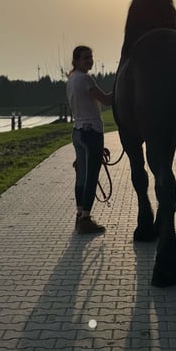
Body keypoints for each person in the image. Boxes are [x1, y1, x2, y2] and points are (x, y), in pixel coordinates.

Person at [67, 45, 113, 234]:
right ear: (76, 60)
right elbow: (106, 100)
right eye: (86, 58)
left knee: (82, 176)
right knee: (91, 177)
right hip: (91, 132)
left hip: (77, 131)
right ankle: (86, 218)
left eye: (91, 57)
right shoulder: (85, 79)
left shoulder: (71, 79)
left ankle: (79, 214)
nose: (90, 61)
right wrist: (123, 87)